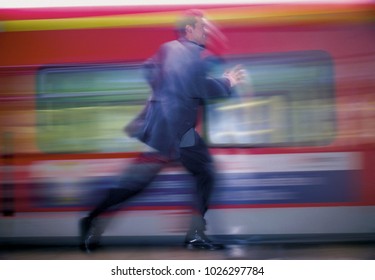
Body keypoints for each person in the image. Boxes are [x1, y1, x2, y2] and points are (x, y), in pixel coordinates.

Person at [80, 9, 246, 252]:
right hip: (176, 133)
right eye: (202, 28)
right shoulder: (187, 52)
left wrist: (166, 93)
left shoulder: (169, 50)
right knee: (205, 173)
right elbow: (198, 86)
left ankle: (93, 220)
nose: (206, 32)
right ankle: (194, 235)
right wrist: (228, 82)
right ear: (189, 30)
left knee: (136, 184)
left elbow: (151, 71)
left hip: (165, 132)